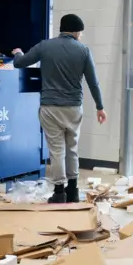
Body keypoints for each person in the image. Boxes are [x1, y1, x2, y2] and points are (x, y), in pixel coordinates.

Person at [12, 14, 107, 203]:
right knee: (72, 149)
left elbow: (19, 63)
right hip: (73, 108)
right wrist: (100, 107)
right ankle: (72, 191)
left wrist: (18, 52)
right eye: (80, 32)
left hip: (50, 108)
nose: (81, 36)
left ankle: (59, 192)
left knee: (57, 151)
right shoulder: (83, 50)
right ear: (75, 31)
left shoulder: (45, 46)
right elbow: (93, 82)